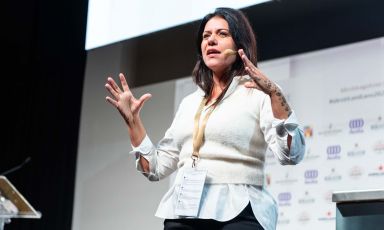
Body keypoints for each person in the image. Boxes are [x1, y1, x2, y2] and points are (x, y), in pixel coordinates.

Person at [105, 7, 305, 230]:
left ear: (240, 45)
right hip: (186, 209)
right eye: (206, 36)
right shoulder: (190, 102)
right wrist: (133, 122)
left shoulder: (257, 93)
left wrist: (275, 94)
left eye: (222, 34)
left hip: (240, 208)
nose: (211, 41)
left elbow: (291, 154)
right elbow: (155, 168)